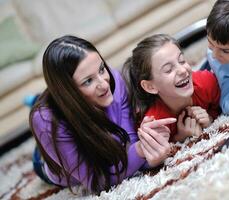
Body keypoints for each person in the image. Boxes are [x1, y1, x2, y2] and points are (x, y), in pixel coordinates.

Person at [29, 35, 176, 194]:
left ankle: (37, 98)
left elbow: (130, 146)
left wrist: (148, 148)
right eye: (88, 81)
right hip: (53, 163)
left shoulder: (114, 80)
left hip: (98, 133)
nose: (104, 84)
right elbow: (95, 181)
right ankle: (34, 101)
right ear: (69, 93)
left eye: (101, 69)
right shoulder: (48, 122)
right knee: (44, 119)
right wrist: (141, 150)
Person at [123, 34, 221, 143]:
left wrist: (210, 119)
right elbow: (157, 152)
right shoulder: (155, 122)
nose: (183, 70)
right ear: (150, 87)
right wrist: (179, 138)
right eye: (168, 70)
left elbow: (223, 108)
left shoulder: (206, 82)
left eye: (182, 61)